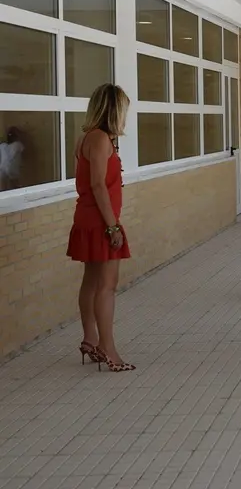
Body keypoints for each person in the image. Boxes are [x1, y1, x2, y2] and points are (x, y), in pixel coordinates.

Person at [67, 84, 134, 372]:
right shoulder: (101, 140)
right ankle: (108, 348)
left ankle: (90, 339)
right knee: (107, 287)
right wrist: (112, 226)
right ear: (114, 110)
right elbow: (96, 184)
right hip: (100, 221)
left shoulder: (86, 138)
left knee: (92, 282)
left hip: (87, 218)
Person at [0, 126, 24, 191]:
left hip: (2, 167)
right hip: (12, 167)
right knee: (15, 186)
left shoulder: (2, 145)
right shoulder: (18, 144)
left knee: (3, 187)